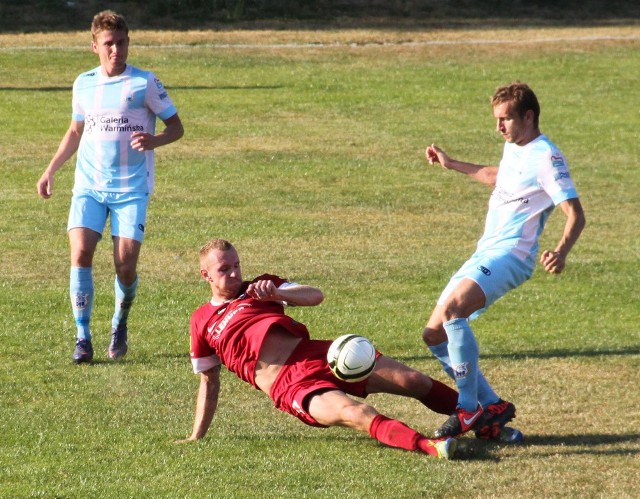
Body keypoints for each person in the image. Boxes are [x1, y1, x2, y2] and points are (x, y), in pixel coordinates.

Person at [179, 238, 461, 459]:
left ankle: (482, 419)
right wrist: (196, 435)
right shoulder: (202, 320)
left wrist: (278, 294)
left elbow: (315, 295)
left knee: (413, 380)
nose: (234, 273)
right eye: (224, 269)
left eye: (237, 265)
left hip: (320, 355)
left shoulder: (260, 287)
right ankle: (429, 446)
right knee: (357, 413)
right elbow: (209, 381)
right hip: (289, 385)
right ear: (206, 275)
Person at [422, 82, 586, 440]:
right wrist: (452, 165)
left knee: (454, 311)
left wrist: (560, 250)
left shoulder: (546, 156)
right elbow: (497, 177)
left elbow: (575, 213)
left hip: (513, 254)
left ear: (528, 116)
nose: (499, 128)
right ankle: (492, 408)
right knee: (434, 334)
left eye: (505, 119)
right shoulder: (515, 147)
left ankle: (467, 408)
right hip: (486, 250)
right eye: (496, 119)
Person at [36, 10, 184, 364]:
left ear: (128, 42)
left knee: (125, 265)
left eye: (121, 43)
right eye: (108, 44)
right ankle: (82, 337)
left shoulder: (144, 83)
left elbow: (176, 128)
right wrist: (50, 169)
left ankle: (120, 321)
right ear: (94, 47)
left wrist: (153, 141)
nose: (116, 50)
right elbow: (75, 131)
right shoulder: (83, 83)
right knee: (81, 253)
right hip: (89, 186)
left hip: (131, 189)